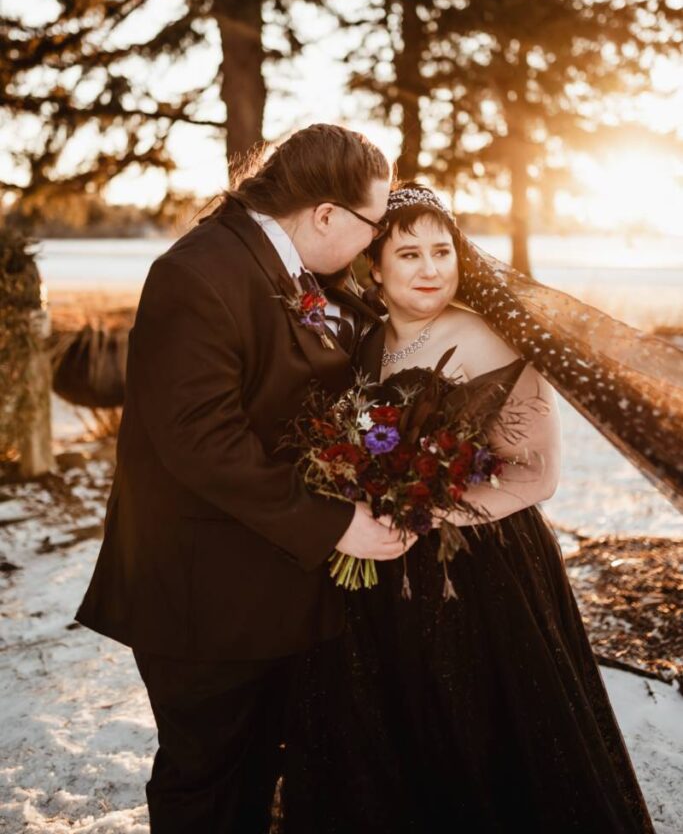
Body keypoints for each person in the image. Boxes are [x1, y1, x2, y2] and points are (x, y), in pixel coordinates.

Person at [281, 184, 657, 834]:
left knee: (483, 741)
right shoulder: (363, 343)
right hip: (377, 576)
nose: (430, 268)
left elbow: (536, 474)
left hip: (481, 576)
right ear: (376, 266)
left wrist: (432, 509)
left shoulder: (490, 337)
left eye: (441, 251)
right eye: (409, 254)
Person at [74, 124, 417, 834]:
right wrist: (335, 525)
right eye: (373, 225)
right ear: (324, 214)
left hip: (266, 588)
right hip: (202, 595)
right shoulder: (199, 273)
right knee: (207, 781)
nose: (374, 243)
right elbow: (201, 440)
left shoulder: (292, 267)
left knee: (258, 773)